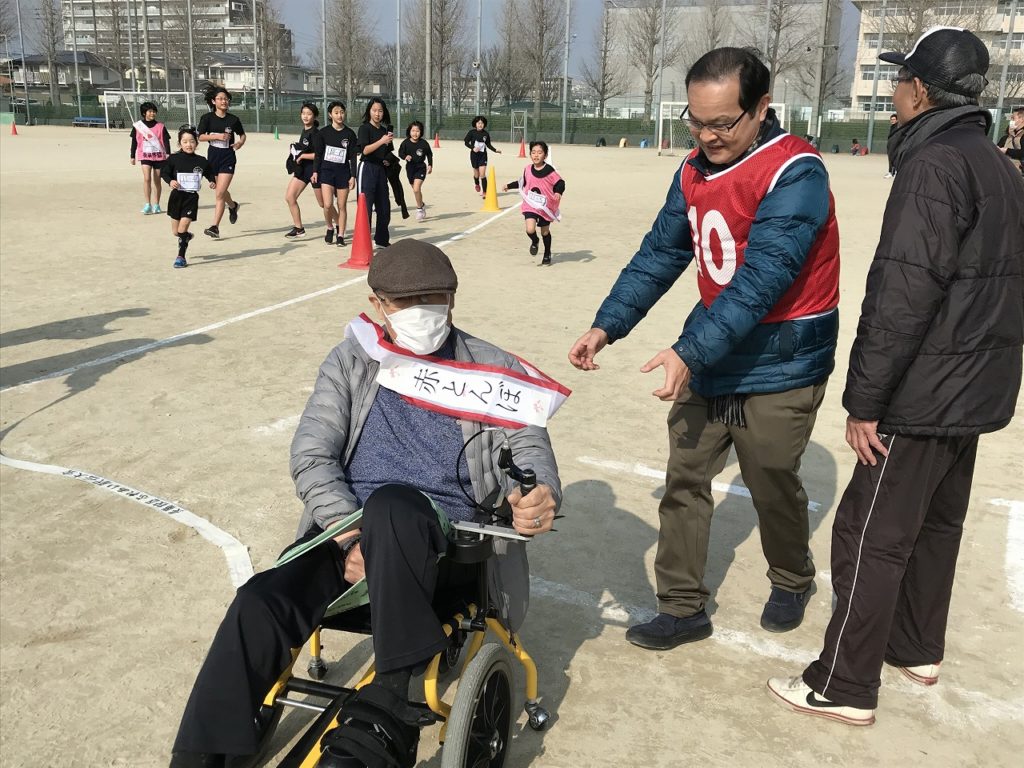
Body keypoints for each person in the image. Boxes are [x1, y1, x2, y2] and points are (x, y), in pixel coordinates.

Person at [168, 239, 564, 768]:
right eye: (405, 301)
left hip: (443, 548)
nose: (422, 310)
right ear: (377, 303)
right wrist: (349, 535)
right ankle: (202, 756)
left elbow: (528, 445)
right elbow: (312, 454)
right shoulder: (353, 359)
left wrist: (538, 492)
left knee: (396, 506)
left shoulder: (490, 369)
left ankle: (393, 705)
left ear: (453, 298)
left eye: (434, 296)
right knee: (257, 603)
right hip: (347, 535)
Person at [767, 26, 1024, 727]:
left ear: (921, 90)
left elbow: (905, 293)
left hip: (926, 389)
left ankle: (843, 682)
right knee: (937, 524)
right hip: (976, 387)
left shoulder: (935, 164)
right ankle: (914, 646)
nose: (892, 96)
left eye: (899, 83)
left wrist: (867, 401)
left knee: (869, 531)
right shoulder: (998, 164)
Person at [568, 47, 840, 651]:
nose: (708, 135)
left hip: (781, 356)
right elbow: (662, 253)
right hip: (714, 347)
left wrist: (690, 350)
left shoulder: (796, 172)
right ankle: (682, 606)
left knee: (771, 479)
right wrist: (606, 325)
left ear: (761, 108)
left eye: (723, 122)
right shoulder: (692, 169)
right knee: (685, 475)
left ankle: (793, 577)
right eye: (697, 121)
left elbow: (761, 281)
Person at [160, 125, 217, 269]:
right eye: (185, 141)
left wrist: (212, 181)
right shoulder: (173, 158)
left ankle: (181, 256)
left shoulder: (201, 161)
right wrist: (170, 181)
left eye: (191, 141)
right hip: (176, 197)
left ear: (196, 143)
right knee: (176, 232)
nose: (188, 144)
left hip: (191, 198)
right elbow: (164, 173)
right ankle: (186, 237)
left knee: (182, 228)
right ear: (180, 143)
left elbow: (209, 173)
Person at [502, 141, 564, 266]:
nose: (536, 155)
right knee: (530, 229)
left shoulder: (549, 170)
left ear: (545, 155)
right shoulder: (527, 169)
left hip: (545, 207)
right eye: (533, 152)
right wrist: (509, 186)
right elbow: (522, 182)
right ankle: (535, 241)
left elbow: (560, 182)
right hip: (530, 204)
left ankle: (547, 253)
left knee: (545, 232)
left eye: (540, 153)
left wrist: (558, 192)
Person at [197, 86, 244, 239]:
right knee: (220, 191)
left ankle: (214, 227)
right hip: (213, 157)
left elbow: (242, 135)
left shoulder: (233, 119)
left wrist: (238, 144)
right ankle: (233, 205)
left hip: (227, 157)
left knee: (219, 193)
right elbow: (200, 137)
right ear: (213, 101)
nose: (224, 101)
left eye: (226, 99)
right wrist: (216, 136)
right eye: (220, 99)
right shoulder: (207, 118)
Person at [312, 100, 358, 247]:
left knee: (342, 205)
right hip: (326, 173)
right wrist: (315, 171)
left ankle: (341, 235)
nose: (340, 115)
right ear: (330, 115)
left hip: (343, 174)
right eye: (336, 113)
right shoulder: (323, 133)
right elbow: (318, 154)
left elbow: (352, 157)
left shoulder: (349, 134)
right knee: (327, 204)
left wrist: (353, 176)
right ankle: (330, 227)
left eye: (342, 112)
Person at [356, 97, 396, 249]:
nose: (377, 114)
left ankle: (381, 240)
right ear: (369, 111)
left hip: (380, 169)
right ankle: (363, 243)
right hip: (367, 168)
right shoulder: (364, 128)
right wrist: (381, 141)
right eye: (374, 110)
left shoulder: (384, 131)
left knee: (384, 207)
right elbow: (364, 150)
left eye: (380, 111)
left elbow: (387, 151)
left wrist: (388, 159)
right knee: (366, 207)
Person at [283, 102, 324, 239]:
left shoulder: (316, 133)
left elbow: (319, 154)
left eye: (309, 114)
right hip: (302, 170)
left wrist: (302, 155)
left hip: (314, 171)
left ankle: (338, 226)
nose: (306, 116)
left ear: (315, 116)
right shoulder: (305, 131)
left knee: (324, 204)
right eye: (304, 113)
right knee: (290, 197)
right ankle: (299, 228)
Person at [129, 101, 171, 215]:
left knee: (157, 180)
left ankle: (156, 204)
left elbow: (166, 141)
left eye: (154, 111)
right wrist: (132, 155)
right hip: (145, 156)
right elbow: (134, 141)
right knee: (147, 178)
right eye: (150, 111)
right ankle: (147, 204)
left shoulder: (160, 126)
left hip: (159, 156)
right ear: (144, 113)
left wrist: (168, 154)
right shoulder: (138, 126)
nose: (152, 113)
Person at [399, 121, 433, 221]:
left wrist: (430, 165)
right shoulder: (405, 143)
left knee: (416, 189)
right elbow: (400, 153)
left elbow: (429, 154)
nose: (415, 133)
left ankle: (419, 210)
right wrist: (405, 156)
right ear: (409, 131)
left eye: (417, 131)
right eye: (413, 131)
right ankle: (421, 205)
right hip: (410, 168)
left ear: (421, 132)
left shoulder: (423, 143)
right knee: (416, 190)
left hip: (420, 167)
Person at [464, 116, 501, 197]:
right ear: (475, 124)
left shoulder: (486, 134)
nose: (480, 125)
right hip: (474, 156)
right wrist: (472, 148)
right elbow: (466, 142)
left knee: (482, 174)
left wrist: (495, 150)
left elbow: (488, 144)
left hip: (483, 156)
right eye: (478, 123)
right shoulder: (471, 132)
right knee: (476, 175)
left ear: (484, 124)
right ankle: (477, 183)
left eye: (482, 123)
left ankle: (485, 192)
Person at [997, 105, 1023, 174]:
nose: (1011, 121)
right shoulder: (1007, 137)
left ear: (1021, 119)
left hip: (1018, 174)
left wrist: (1007, 150)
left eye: (1013, 118)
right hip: (1005, 172)